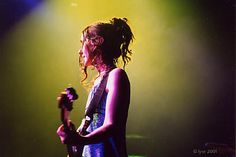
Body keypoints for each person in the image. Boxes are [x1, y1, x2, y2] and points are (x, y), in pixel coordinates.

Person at [57, 17, 134, 157]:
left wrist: (80, 139)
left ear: (96, 42)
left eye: (82, 43)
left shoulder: (116, 75)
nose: (80, 51)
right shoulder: (97, 83)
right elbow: (80, 148)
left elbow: (112, 126)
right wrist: (70, 129)